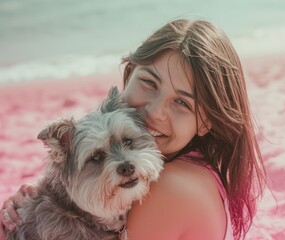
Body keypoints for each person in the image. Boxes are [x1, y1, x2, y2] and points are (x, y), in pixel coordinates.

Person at [0, 18, 266, 240]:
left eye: (182, 102)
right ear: (129, 73)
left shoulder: (167, 189)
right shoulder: (199, 167)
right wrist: (36, 201)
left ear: (207, 121)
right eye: (149, 83)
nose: (154, 112)